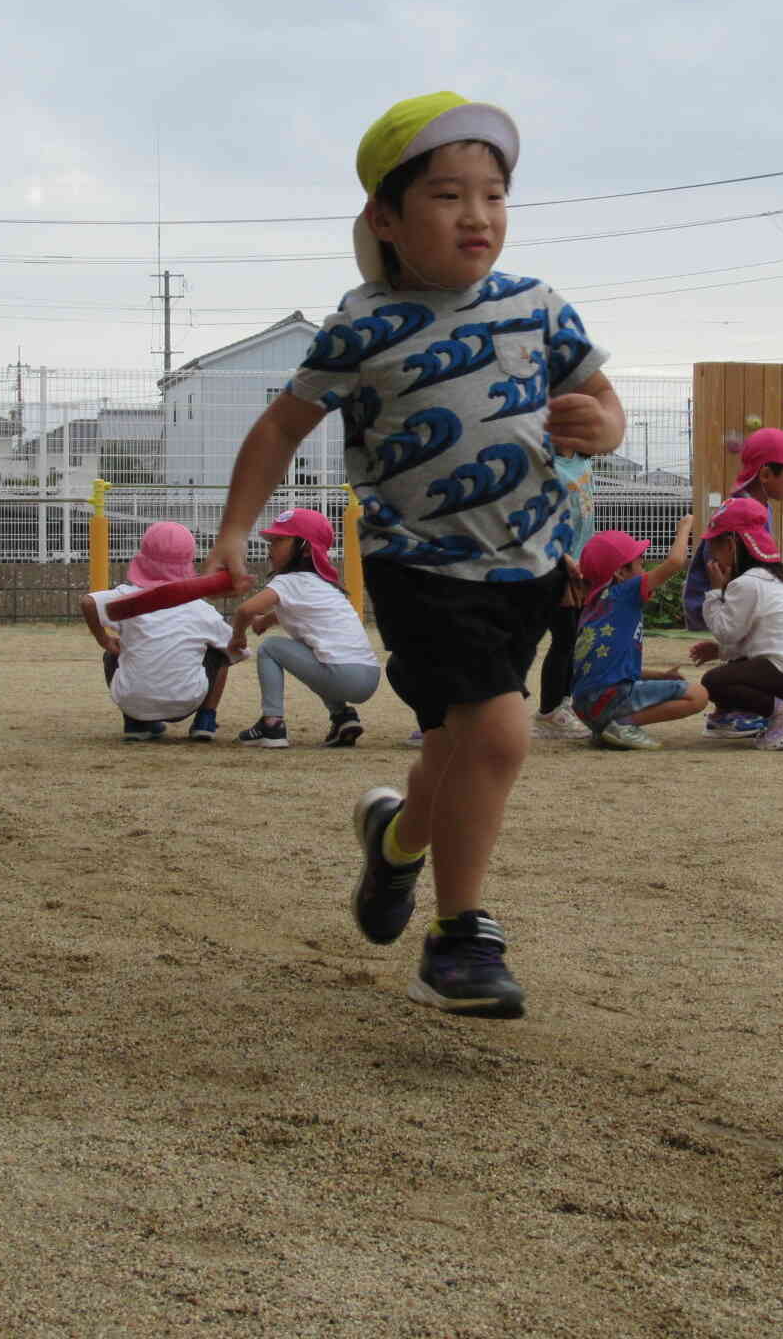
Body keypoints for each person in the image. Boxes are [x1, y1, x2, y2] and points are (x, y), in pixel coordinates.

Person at [206, 90, 626, 1019]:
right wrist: (238, 530)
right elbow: (280, 427)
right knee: (500, 734)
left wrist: (600, 426)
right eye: (447, 196)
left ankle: (396, 845)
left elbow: (605, 402)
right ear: (387, 219)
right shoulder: (364, 325)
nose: (476, 215)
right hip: (421, 567)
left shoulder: (539, 306)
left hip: (533, 563)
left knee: (455, 745)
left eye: (493, 194)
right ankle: (459, 939)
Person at [684, 426, 783, 739]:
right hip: (726, 598)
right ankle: (739, 709)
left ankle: (737, 707)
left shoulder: (755, 505)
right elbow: (726, 567)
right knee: (746, 652)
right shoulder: (746, 508)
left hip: (735, 599)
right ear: (767, 474)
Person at [224, 507, 380, 749]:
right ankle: (342, 718)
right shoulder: (325, 585)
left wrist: (237, 637)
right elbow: (296, 608)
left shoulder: (288, 581)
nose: (271, 546)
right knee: (318, 654)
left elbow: (245, 610)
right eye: (272, 540)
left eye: (280, 540)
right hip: (369, 675)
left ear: (306, 549)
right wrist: (266, 621)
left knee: (270, 648)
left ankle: (272, 723)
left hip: (341, 674)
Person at [687, 498, 783, 751]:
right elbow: (756, 638)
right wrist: (720, 652)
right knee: (732, 667)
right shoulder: (768, 579)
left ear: (731, 545)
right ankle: (777, 711)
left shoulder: (746, 584)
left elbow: (726, 632)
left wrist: (713, 592)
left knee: (714, 681)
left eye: (713, 547)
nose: (710, 555)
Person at [80, 521, 232, 742]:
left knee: (112, 654)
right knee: (219, 653)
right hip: (185, 701)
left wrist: (103, 639)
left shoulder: (127, 596)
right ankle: (205, 720)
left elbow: (88, 602)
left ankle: (136, 723)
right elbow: (234, 647)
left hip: (134, 701)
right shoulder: (199, 608)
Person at [569, 517, 708, 750]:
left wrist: (660, 676)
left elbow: (611, 667)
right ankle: (622, 724)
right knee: (698, 695)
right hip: (610, 699)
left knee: (673, 691)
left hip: (585, 708)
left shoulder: (592, 608)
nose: (644, 570)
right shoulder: (625, 592)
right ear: (621, 573)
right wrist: (685, 527)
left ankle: (606, 728)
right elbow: (675, 562)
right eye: (640, 564)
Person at [531, 448, 597, 740]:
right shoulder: (546, 464)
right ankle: (547, 712)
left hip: (583, 563)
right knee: (564, 638)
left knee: (576, 639)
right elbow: (540, 522)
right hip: (555, 562)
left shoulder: (582, 460)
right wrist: (564, 559)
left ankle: (565, 703)